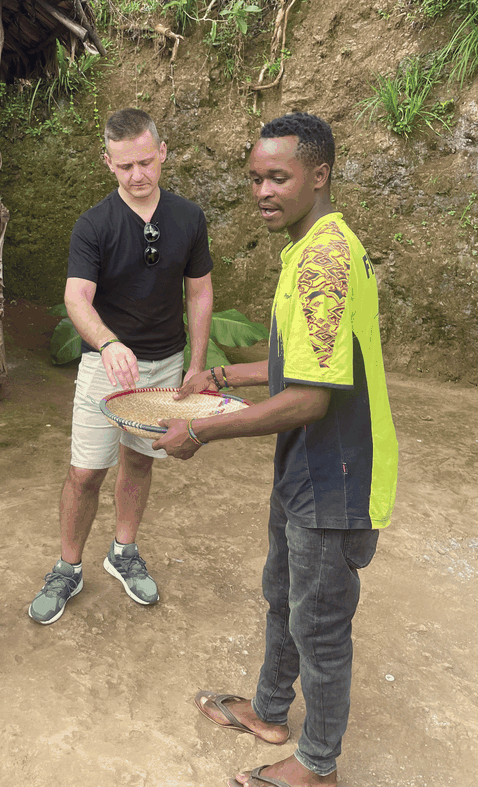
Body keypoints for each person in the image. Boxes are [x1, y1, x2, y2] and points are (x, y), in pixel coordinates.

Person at [158, 113, 398, 787]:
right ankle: (267, 711)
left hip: (337, 472)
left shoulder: (325, 260)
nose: (262, 190)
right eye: (256, 177)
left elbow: (310, 398)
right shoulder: (309, 246)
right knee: (283, 593)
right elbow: (300, 359)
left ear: (318, 176)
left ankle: (318, 766)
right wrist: (224, 375)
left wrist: (202, 429)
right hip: (307, 465)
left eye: (278, 177)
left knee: (319, 624)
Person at [28, 108, 214, 625]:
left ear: (162, 154)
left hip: (166, 365)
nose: (137, 175)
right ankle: (68, 566)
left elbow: (199, 292)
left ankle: (123, 552)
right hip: (105, 370)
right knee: (85, 472)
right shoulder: (94, 224)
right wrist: (109, 343)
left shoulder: (189, 218)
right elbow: (77, 299)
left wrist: (196, 365)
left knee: (139, 462)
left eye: (146, 162)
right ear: (107, 162)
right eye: (125, 165)